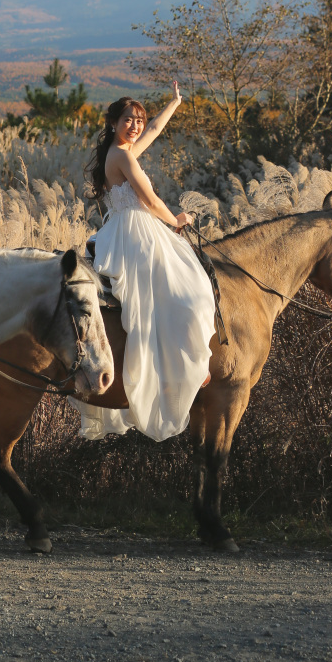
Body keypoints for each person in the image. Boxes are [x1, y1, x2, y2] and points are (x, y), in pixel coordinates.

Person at [73, 83, 215, 442]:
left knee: (177, 289)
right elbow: (149, 200)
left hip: (128, 229)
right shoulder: (121, 156)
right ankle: (185, 369)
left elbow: (153, 131)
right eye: (128, 120)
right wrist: (176, 221)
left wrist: (175, 104)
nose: (135, 125)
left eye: (138, 120)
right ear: (113, 123)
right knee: (187, 289)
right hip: (136, 234)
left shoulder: (122, 150)